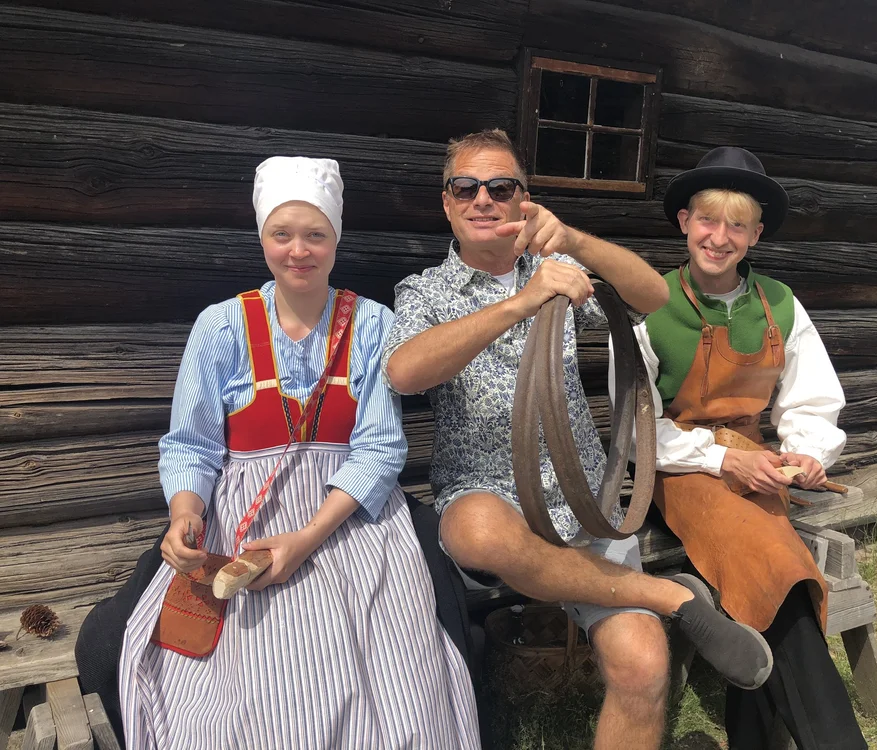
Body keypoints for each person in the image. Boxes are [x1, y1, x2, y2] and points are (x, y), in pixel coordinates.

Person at [382, 129, 774, 750]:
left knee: (643, 666)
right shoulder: (424, 291)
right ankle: (670, 596)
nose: (483, 199)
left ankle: (652, 604)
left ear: (523, 200)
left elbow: (653, 296)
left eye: (500, 187)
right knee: (473, 531)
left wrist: (573, 241)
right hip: (489, 495)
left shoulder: (558, 270)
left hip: (583, 498)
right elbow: (404, 371)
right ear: (447, 202)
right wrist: (521, 303)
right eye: (466, 187)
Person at [115, 156, 480, 749]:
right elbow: (191, 444)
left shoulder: (374, 325)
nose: (298, 251)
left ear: (337, 239)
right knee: (242, 683)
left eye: (315, 234)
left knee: (392, 659)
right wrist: (186, 512)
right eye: (281, 234)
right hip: (244, 519)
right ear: (262, 237)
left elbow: (380, 449)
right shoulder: (220, 327)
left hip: (348, 519)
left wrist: (307, 539)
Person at [609, 146, 866, 749]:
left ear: (755, 235)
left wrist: (806, 452)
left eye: (736, 225)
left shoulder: (781, 303)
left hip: (759, 465)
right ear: (684, 222)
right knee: (778, 566)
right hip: (678, 468)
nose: (719, 238)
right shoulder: (650, 305)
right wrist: (724, 459)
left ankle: (752, 737)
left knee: (772, 571)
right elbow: (637, 431)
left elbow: (811, 400)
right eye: (707, 220)